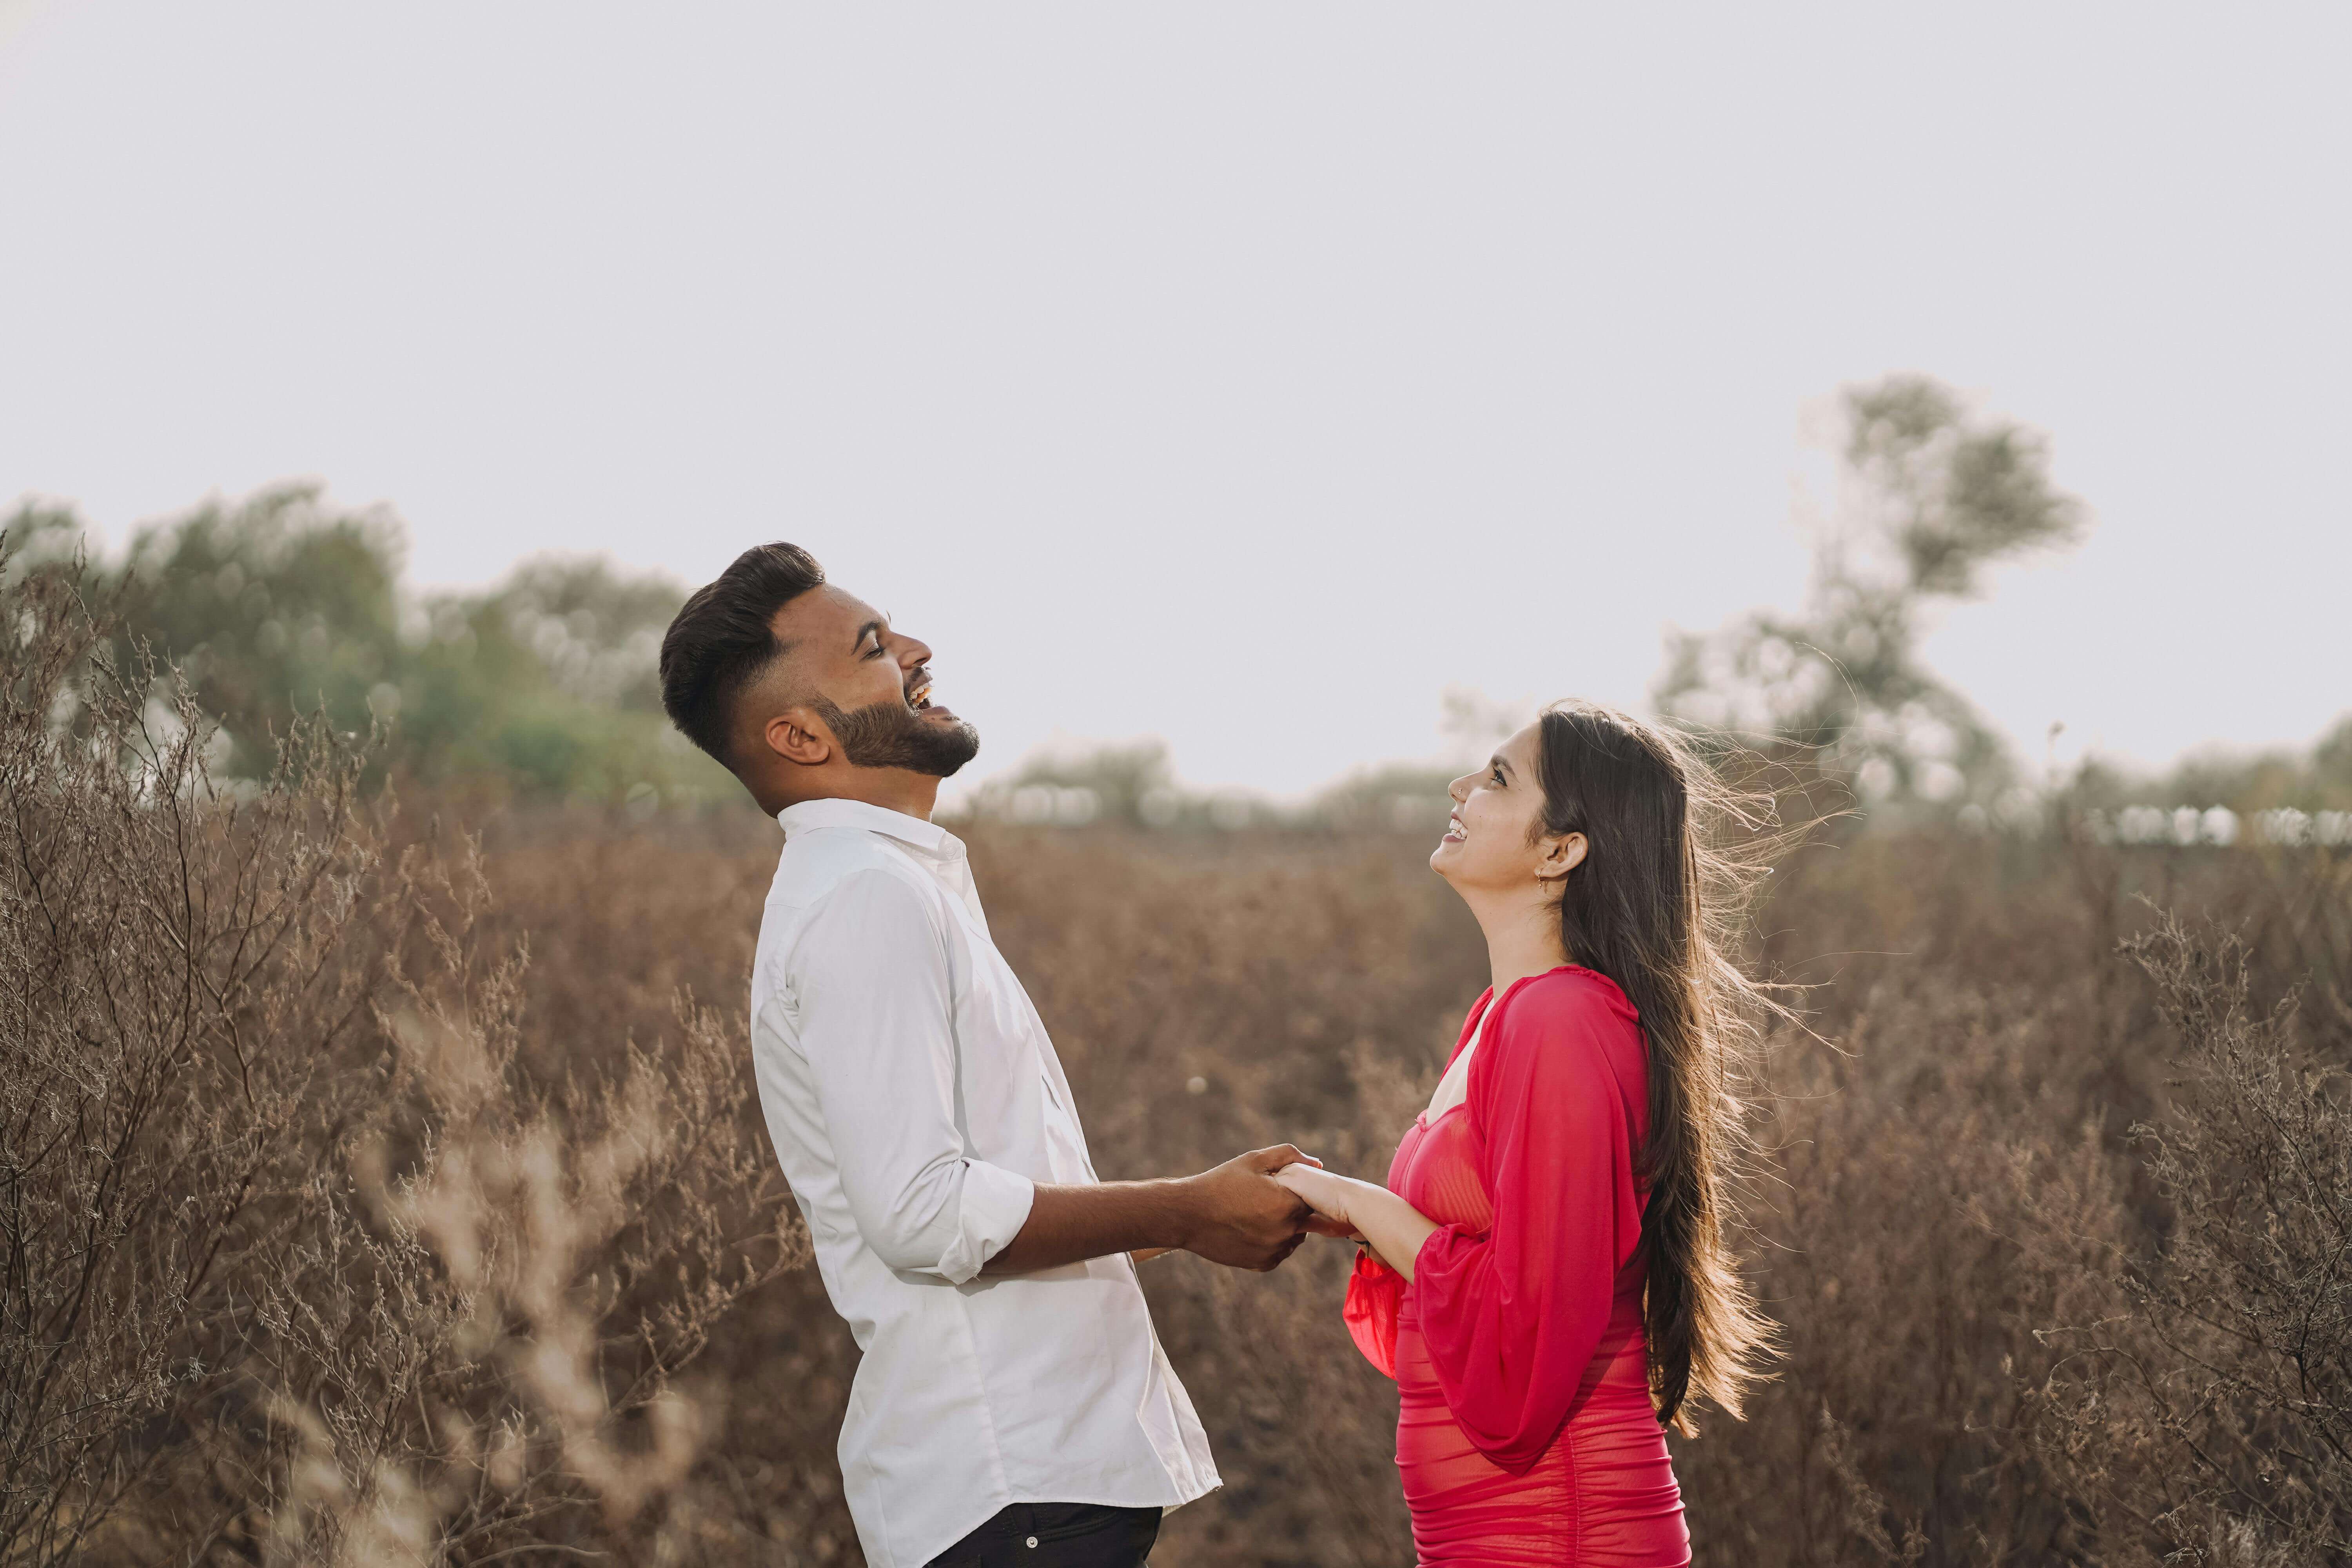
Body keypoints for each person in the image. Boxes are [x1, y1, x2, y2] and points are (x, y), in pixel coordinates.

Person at [657, 543, 1320, 1568]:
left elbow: (981, 1194)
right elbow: (924, 1212)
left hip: (1031, 1492)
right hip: (1011, 1497)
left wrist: (1202, 1214)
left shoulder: (885, 882)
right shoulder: (865, 899)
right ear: (798, 734)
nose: (917, 651)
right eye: (874, 647)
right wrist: (1188, 1213)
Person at [1272, 702, 1778, 1567]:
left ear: (1561, 850)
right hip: (1496, 1529)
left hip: (1561, 1527)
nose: (1460, 785)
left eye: (1499, 777)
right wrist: (1365, 1222)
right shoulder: (1501, 1019)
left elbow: (1527, 1328)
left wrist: (1359, 1198)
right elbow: (1492, 1270)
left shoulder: (1562, 1020)